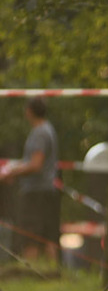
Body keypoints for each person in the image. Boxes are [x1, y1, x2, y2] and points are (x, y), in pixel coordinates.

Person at [0, 97, 60, 263]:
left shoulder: (40, 132)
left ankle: (30, 272)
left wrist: (11, 172)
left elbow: (35, 165)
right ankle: (53, 272)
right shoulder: (48, 129)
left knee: (31, 234)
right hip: (45, 190)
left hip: (36, 191)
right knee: (48, 234)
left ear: (29, 111)